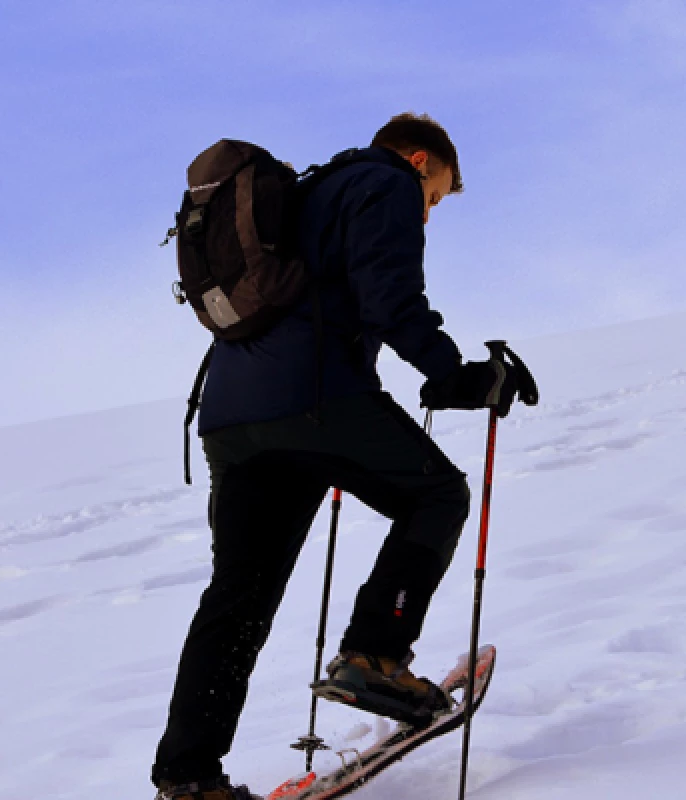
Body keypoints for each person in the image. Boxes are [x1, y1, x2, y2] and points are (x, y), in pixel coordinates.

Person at [152, 113, 524, 800]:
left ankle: (187, 777)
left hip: (231, 421)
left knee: (238, 600)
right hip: (316, 398)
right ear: (418, 162)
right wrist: (456, 376)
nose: (430, 212)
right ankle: (376, 655)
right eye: (436, 197)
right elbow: (392, 297)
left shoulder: (305, 193)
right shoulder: (382, 184)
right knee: (437, 495)